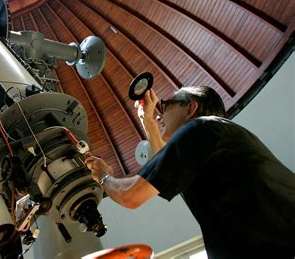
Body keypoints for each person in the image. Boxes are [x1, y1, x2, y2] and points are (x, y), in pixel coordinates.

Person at [85, 86, 295, 258]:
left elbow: (130, 195)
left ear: (191, 108)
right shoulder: (216, 134)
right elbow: (164, 170)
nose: (159, 115)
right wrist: (147, 121)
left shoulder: (198, 128)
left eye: (165, 105)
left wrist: (103, 176)